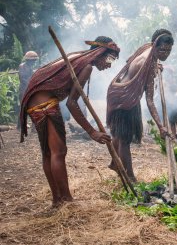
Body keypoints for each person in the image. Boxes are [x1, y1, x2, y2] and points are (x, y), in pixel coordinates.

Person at [20, 36, 120, 207]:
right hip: (44, 103)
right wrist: (92, 132)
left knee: (49, 153)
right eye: (109, 59)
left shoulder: (79, 59)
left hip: (33, 101)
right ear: (101, 52)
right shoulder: (87, 66)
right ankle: (66, 200)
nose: (109, 64)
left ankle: (57, 200)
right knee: (58, 152)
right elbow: (71, 103)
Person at [107, 29, 174, 182]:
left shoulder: (146, 49)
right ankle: (130, 177)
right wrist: (160, 126)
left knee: (118, 134)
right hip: (124, 98)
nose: (165, 54)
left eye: (169, 51)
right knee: (124, 139)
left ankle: (114, 163)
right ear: (155, 45)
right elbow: (149, 100)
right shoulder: (149, 63)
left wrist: (156, 68)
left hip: (120, 93)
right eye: (162, 50)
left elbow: (129, 61)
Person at [17, 51, 39, 129]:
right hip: (24, 90)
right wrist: (30, 85)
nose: (34, 62)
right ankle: (20, 126)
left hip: (30, 90)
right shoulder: (22, 66)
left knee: (33, 107)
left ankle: (34, 127)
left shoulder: (31, 68)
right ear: (28, 60)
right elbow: (22, 79)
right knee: (23, 108)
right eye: (33, 60)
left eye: (34, 61)